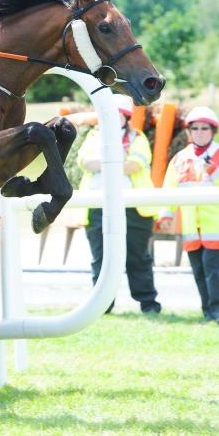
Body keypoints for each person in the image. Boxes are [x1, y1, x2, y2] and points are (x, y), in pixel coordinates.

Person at [157, 106, 219, 325]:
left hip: (218, 227)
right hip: (192, 229)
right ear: (189, 131)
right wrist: (165, 215)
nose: (199, 132)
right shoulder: (180, 159)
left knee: (215, 270)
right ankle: (209, 313)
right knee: (199, 271)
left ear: (213, 131)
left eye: (204, 128)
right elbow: (170, 188)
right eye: (195, 128)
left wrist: (215, 170)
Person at [78, 94, 161, 313]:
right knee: (101, 257)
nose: (113, 120)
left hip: (133, 207)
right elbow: (84, 162)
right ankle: (102, 305)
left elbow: (134, 165)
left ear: (126, 118)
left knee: (138, 257)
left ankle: (148, 303)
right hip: (98, 206)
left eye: (118, 116)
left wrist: (102, 163)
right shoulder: (93, 136)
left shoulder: (137, 138)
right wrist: (116, 162)